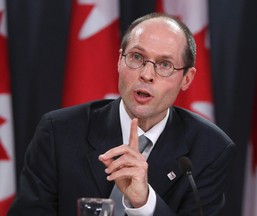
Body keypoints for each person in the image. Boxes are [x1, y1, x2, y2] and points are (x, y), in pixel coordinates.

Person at [8, 12, 236, 216]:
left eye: (164, 64)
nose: (147, 75)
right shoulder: (59, 132)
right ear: (119, 61)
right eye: (137, 57)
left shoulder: (210, 150)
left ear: (187, 78)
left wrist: (144, 202)